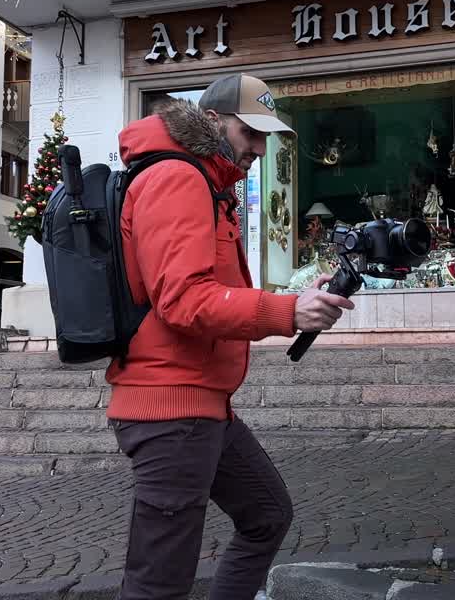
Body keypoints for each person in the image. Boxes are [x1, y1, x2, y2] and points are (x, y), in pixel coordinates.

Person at [108, 73, 355, 600]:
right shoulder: (177, 178)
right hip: (170, 409)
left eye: (266, 137)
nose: (260, 150)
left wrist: (300, 299)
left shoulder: (205, 183)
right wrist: (288, 311)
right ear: (213, 121)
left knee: (267, 514)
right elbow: (184, 300)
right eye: (251, 134)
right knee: (158, 586)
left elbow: (207, 288)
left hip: (203, 406)